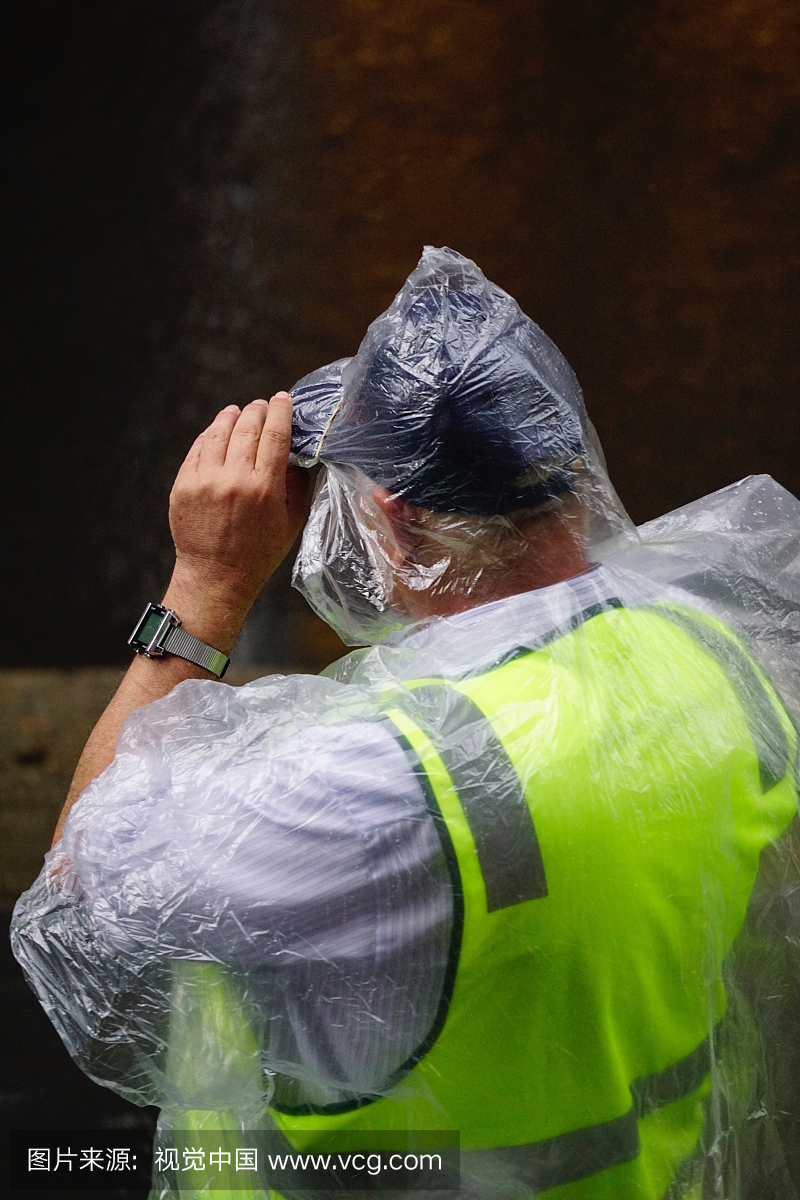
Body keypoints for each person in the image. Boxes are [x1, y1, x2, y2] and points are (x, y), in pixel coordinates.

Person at [11, 247, 800, 1200]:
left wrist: (205, 586)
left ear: (394, 517)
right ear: (564, 466)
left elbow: (74, 914)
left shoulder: (372, 783)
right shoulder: (713, 646)